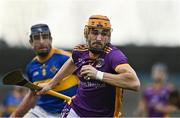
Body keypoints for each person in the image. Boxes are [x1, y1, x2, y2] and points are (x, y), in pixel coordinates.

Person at [37, 15, 140, 117]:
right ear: (86, 34)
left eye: (104, 34)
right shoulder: (80, 51)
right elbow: (72, 62)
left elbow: (134, 83)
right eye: (95, 32)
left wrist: (98, 74)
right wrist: (50, 84)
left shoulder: (114, 56)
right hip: (76, 110)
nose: (99, 38)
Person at [10, 24, 79, 117]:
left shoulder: (67, 58)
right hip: (41, 112)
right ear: (31, 42)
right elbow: (31, 96)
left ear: (51, 39)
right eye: (37, 38)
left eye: (45, 37)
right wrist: (14, 116)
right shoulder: (31, 67)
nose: (41, 41)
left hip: (68, 110)